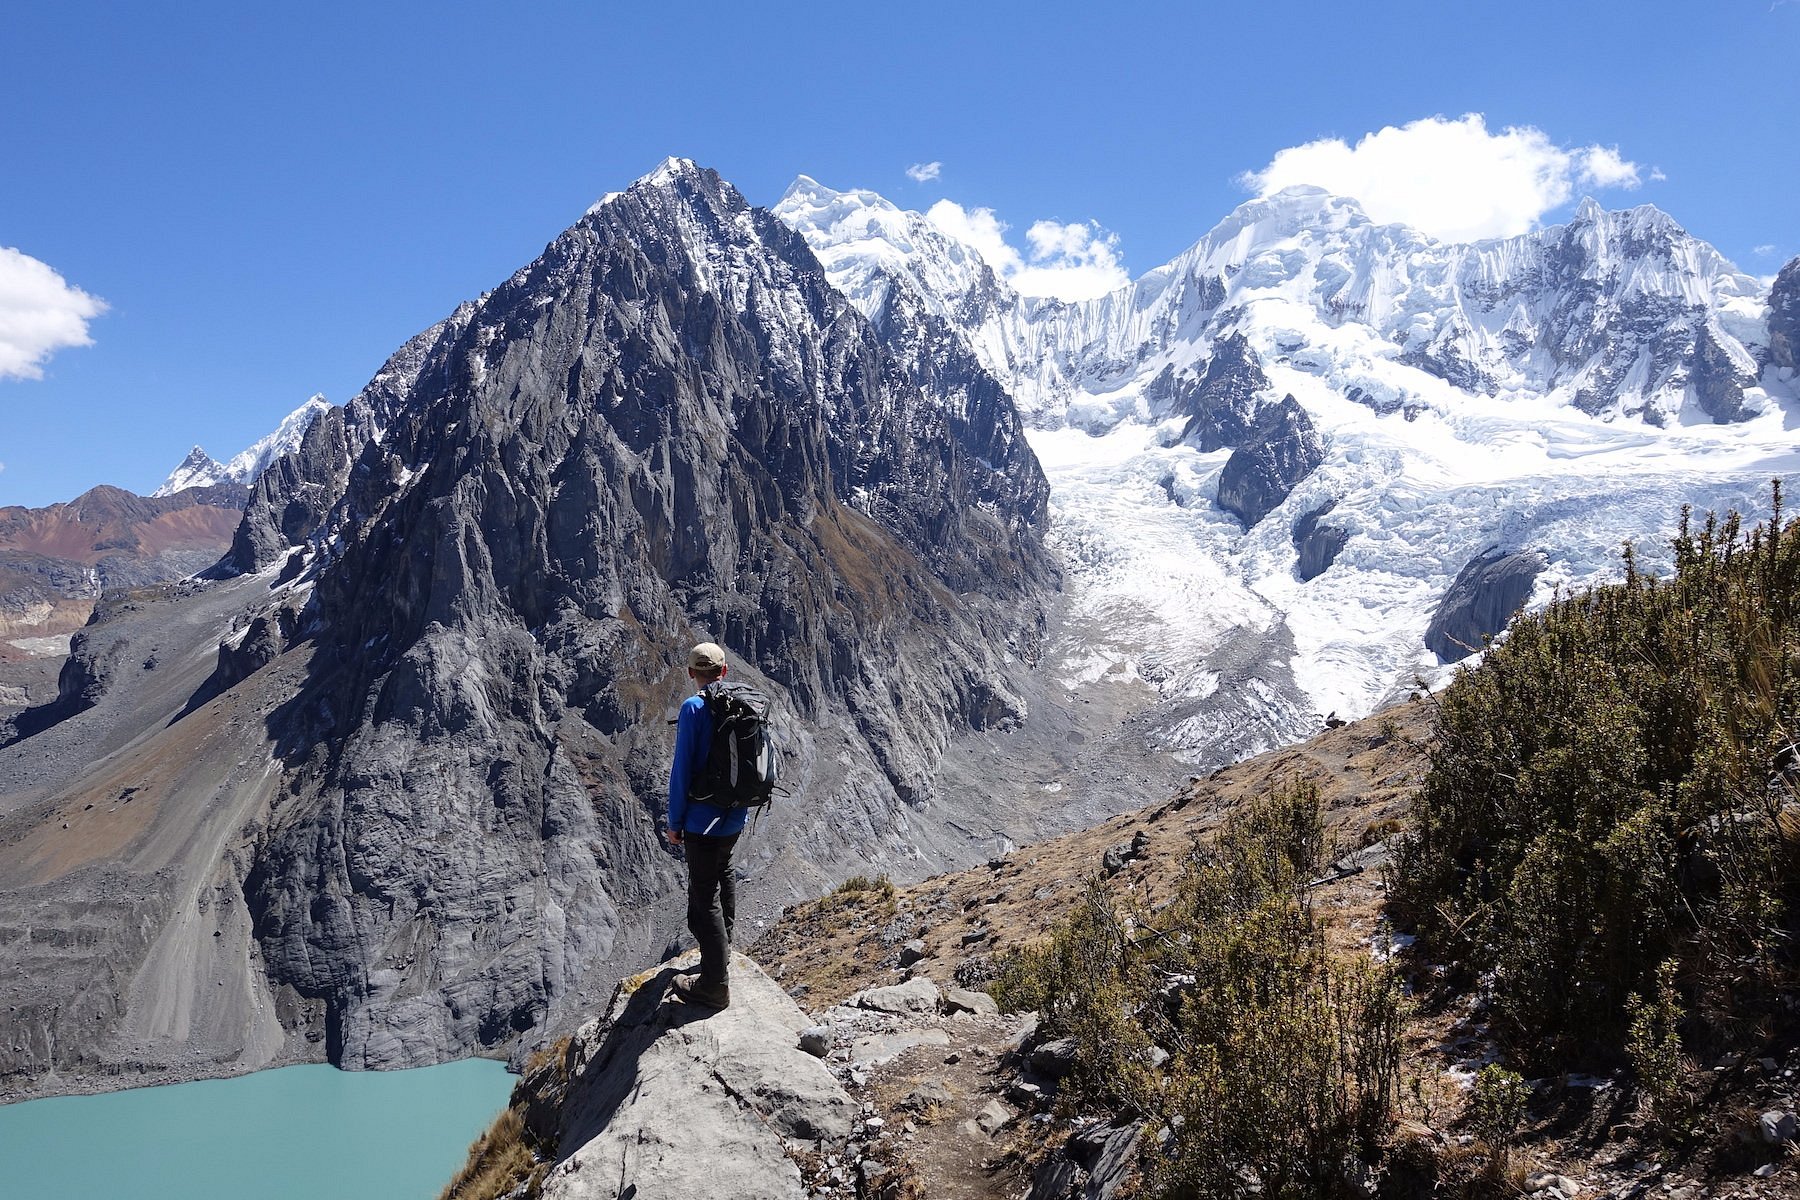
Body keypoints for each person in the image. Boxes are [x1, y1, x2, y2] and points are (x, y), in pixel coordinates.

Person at [666, 641, 748, 1009]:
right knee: (724, 871)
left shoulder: (694, 708)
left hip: (702, 821)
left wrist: (675, 822)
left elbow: (681, 770)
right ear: (724, 671)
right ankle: (723, 951)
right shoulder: (741, 702)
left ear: (691, 673)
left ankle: (715, 985)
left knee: (703, 897)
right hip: (734, 816)